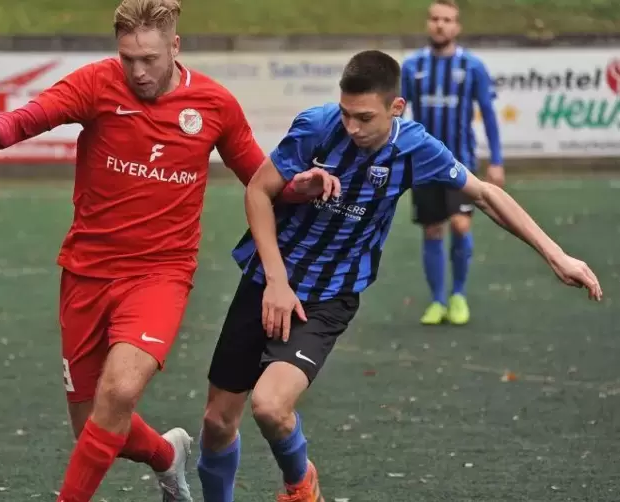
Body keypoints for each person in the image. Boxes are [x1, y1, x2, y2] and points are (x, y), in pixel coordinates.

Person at [0, 1, 337, 501]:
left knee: (116, 395)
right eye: (128, 58)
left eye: (149, 59)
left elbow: (258, 176)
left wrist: (298, 187)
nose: (137, 71)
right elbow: (35, 114)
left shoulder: (214, 104)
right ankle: (167, 455)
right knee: (94, 426)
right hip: (86, 271)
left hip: (160, 275)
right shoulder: (96, 83)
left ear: (175, 47)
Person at [196, 49, 602, 502]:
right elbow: (258, 190)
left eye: (364, 118)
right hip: (266, 281)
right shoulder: (315, 126)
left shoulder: (414, 147)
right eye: (346, 114)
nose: (352, 127)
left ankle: (299, 484)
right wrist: (275, 279)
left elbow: (485, 195)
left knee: (270, 408)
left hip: (329, 295)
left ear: (396, 108)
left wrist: (556, 255)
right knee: (216, 423)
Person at [401, 0, 504, 325]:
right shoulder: (412, 66)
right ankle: (437, 301)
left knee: (460, 225)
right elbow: (398, 114)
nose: (440, 25)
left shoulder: (472, 66)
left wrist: (497, 160)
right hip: (423, 162)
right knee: (432, 229)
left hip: (461, 161)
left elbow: (488, 114)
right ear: (428, 23)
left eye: (447, 20)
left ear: (457, 26)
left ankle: (458, 295)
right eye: (435, 19)